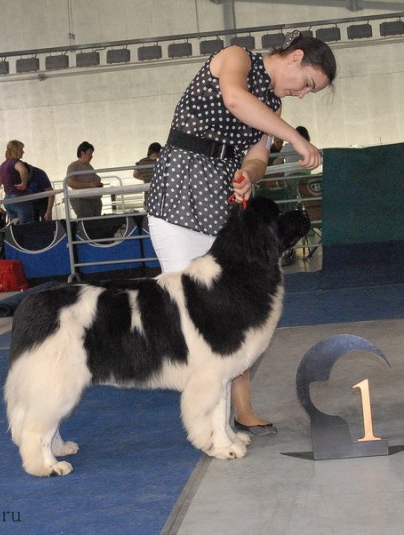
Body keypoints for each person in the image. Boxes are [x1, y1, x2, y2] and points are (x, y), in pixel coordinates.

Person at [146, 30, 336, 436]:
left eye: (310, 91)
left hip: (223, 200)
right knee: (193, 313)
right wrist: (296, 137)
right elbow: (234, 98)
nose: (303, 94)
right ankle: (208, 418)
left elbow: (258, 155)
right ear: (295, 57)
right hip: (180, 192)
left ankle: (240, 408)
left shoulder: (273, 105)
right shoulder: (236, 57)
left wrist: (249, 174)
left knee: (239, 307)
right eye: (307, 83)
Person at [0, 140, 33, 225]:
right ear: (16, 150)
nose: (23, 152)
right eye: (21, 149)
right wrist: (24, 183)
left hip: (8, 201)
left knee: (14, 227)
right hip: (20, 198)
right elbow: (23, 171)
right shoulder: (16, 162)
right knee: (27, 226)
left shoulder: (1, 167)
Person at [65, 141, 103, 220]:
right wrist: (89, 185)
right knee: (87, 222)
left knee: (96, 222)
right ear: (82, 153)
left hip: (94, 200)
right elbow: (70, 182)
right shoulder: (73, 166)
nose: (91, 156)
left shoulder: (89, 166)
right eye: (89, 154)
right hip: (82, 200)